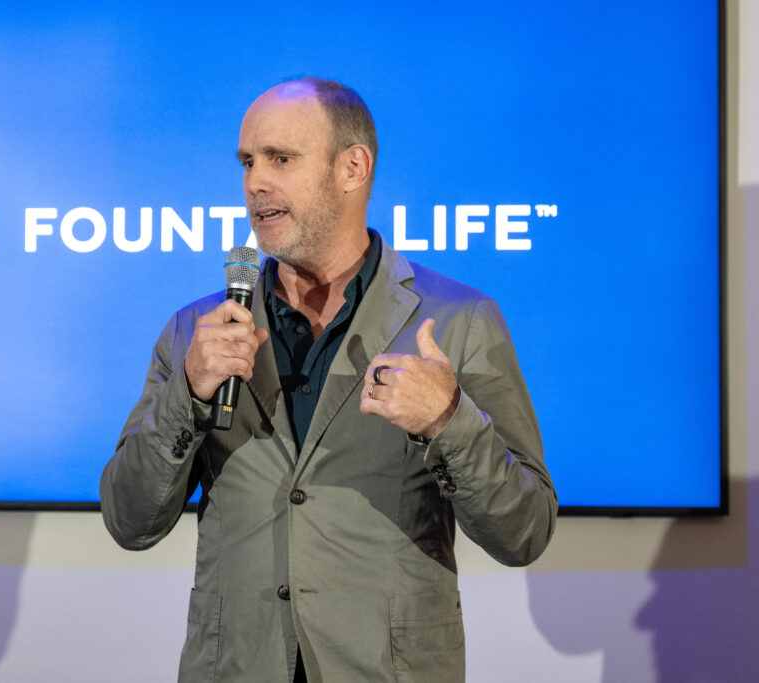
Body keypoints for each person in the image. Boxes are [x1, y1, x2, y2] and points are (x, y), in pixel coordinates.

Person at [101, 77, 557, 682]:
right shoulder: (197, 332)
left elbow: (524, 532)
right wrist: (188, 395)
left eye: (280, 159)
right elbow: (129, 521)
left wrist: (448, 423)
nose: (254, 182)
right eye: (247, 162)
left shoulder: (458, 320)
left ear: (353, 168)